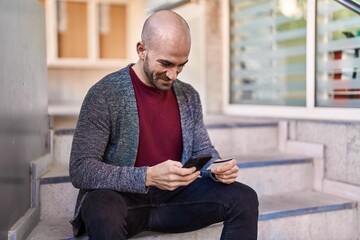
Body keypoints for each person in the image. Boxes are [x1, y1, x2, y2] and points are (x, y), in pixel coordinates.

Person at [69, 10, 258, 240]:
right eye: (166, 63)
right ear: (141, 50)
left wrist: (216, 167)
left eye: (181, 66)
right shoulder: (105, 94)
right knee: (102, 209)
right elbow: (81, 169)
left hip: (175, 199)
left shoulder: (189, 96)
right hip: (122, 199)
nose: (173, 75)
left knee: (244, 198)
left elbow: (203, 151)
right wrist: (147, 176)